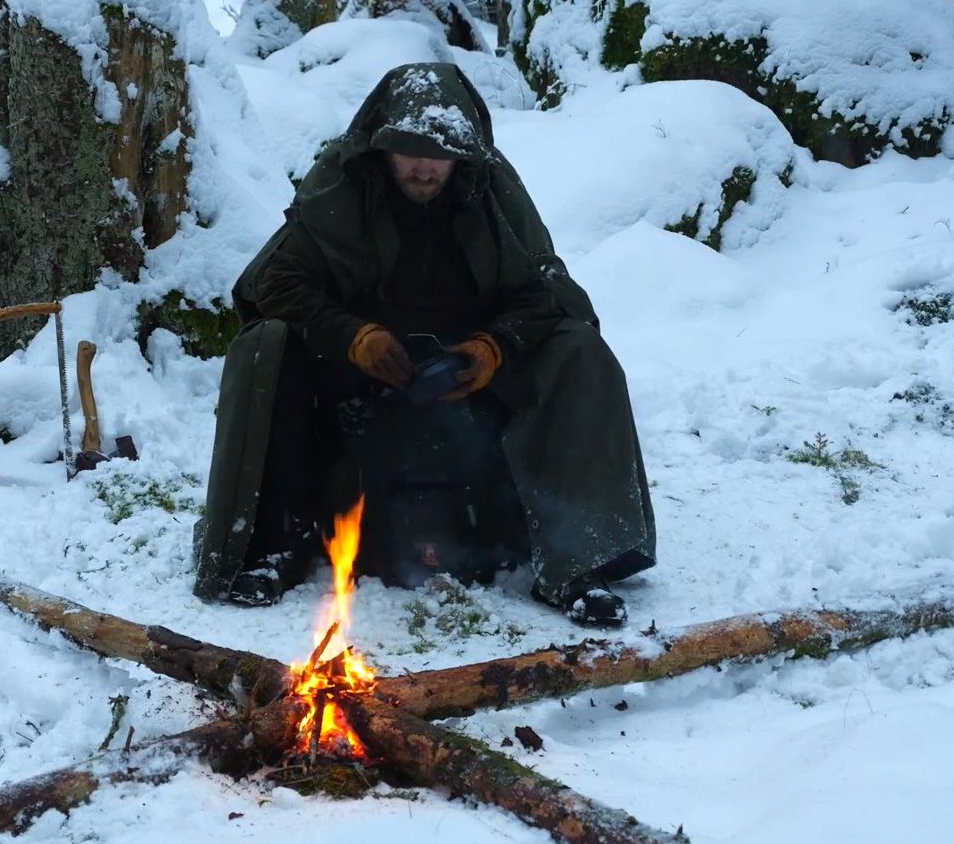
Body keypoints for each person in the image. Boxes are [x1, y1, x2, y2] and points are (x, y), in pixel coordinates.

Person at [191, 62, 655, 626]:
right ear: (380, 147)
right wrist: (353, 337)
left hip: (468, 388)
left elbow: (546, 293)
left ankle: (578, 561)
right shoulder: (340, 188)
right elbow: (275, 283)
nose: (425, 168)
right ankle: (268, 547)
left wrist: (493, 348)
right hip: (354, 385)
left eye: (441, 155)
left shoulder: (491, 195)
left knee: (578, 350)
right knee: (264, 346)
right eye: (409, 151)